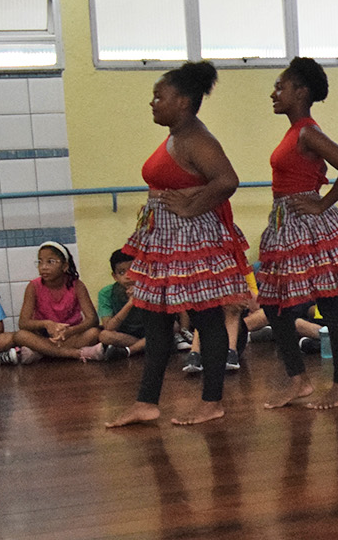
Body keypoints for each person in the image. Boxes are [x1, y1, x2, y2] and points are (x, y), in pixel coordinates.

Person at [106, 60, 249, 428]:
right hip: (166, 238)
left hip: (191, 239)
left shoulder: (197, 139)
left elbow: (227, 180)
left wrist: (190, 206)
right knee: (154, 321)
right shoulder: (177, 136)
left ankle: (212, 401)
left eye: (159, 96)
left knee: (206, 318)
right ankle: (146, 402)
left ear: (183, 101)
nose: (153, 103)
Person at [256, 56, 338, 411]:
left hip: (307, 225)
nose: (274, 93)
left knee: (331, 305)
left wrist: (321, 205)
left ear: (300, 91)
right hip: (285, 224)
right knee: (274, 307)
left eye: (281, 86)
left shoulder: (307, 131)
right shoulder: (295, 132)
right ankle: (299, 381)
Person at [12, 241, 101, 360]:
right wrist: (46, 324)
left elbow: (92, 319)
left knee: (93, 333)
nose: (43, 267)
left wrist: (70, 331)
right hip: (44, 336)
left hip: (70, 335)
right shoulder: (33, 286)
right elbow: (23, 323)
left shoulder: (77, 285)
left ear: (65, 266)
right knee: (20, 336)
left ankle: (43, 352)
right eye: (40, 262)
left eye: (50, 262)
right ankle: (73, 353)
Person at [79, 249, 148, 362]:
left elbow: (160, 322)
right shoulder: (106, 293)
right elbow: (109, 327)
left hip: (149, 331)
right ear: (114, 276)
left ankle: (129, 350)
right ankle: (147, 346)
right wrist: (130, 303)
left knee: (170, 327)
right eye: (121, 272)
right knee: (104, 335)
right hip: (125, 336)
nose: (128, 276)